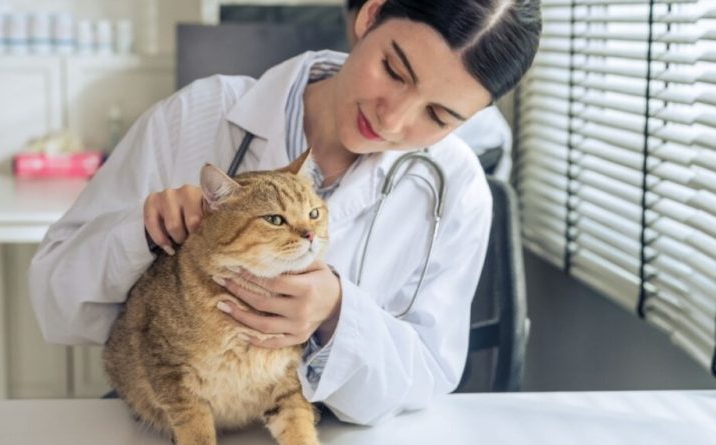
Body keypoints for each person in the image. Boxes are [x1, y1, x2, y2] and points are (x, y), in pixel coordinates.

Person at [28, 0, 541, 426]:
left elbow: (429, 374)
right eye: (393, 70)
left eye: (439, 116)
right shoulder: (197, 116)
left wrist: (338, 314)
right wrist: (138, 234)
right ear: (370, 15)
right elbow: (54, 303)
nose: (393, 119)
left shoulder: (457, 186)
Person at [344, 0, 515, 180]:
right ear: (370, 17)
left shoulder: (474, 159)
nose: (390, 122)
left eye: (435, 115)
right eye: (393, 72)